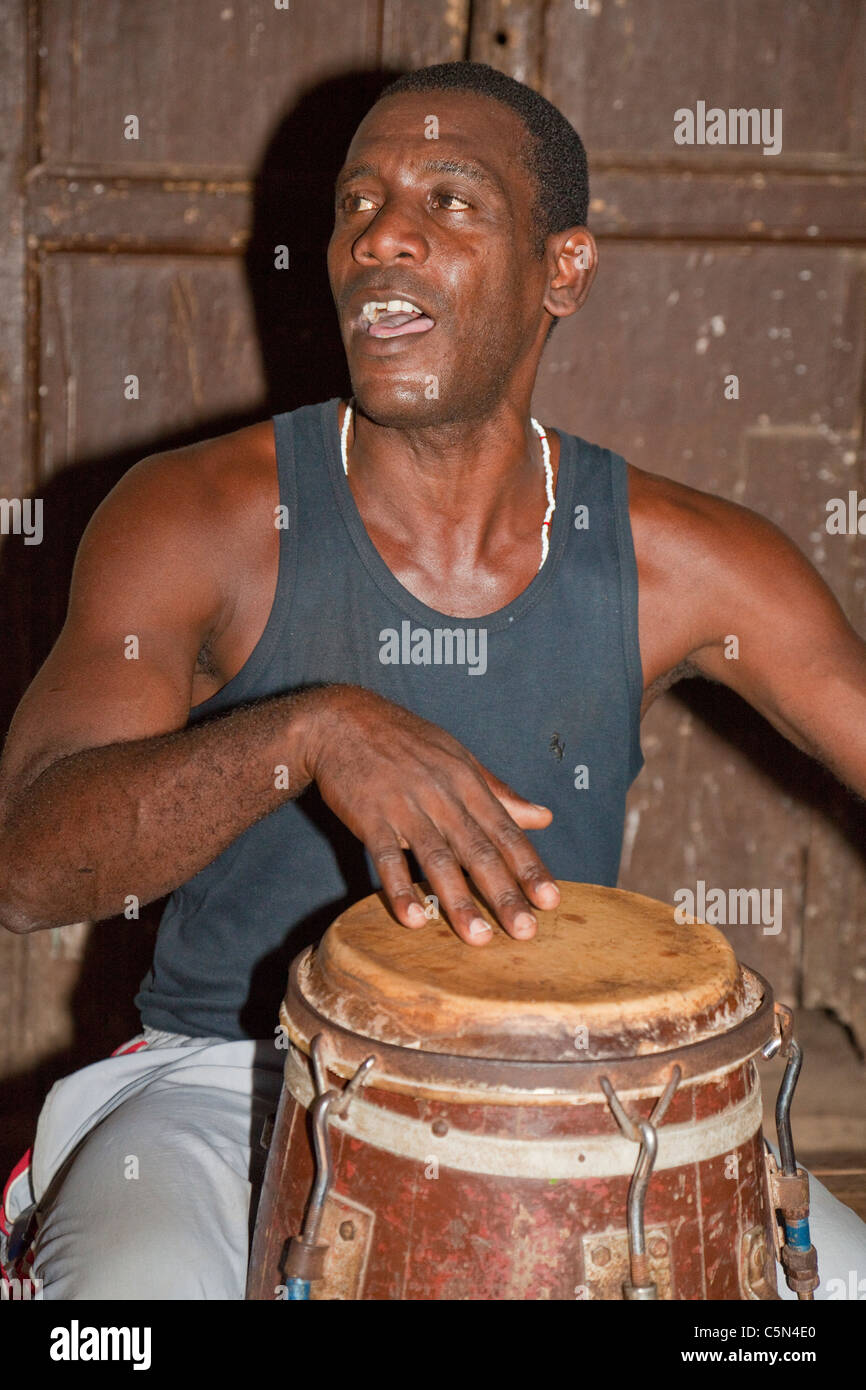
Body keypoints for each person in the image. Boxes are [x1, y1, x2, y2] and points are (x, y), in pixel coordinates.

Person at [1, 62, 864, 1301]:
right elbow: (27, 868)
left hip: (574, 1097)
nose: (381, 236)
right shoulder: (197, 517)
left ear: (562, 270)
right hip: (228, 1082)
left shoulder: (686, 562)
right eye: (358, 203)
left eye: (449, 201)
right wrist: (307, 734)